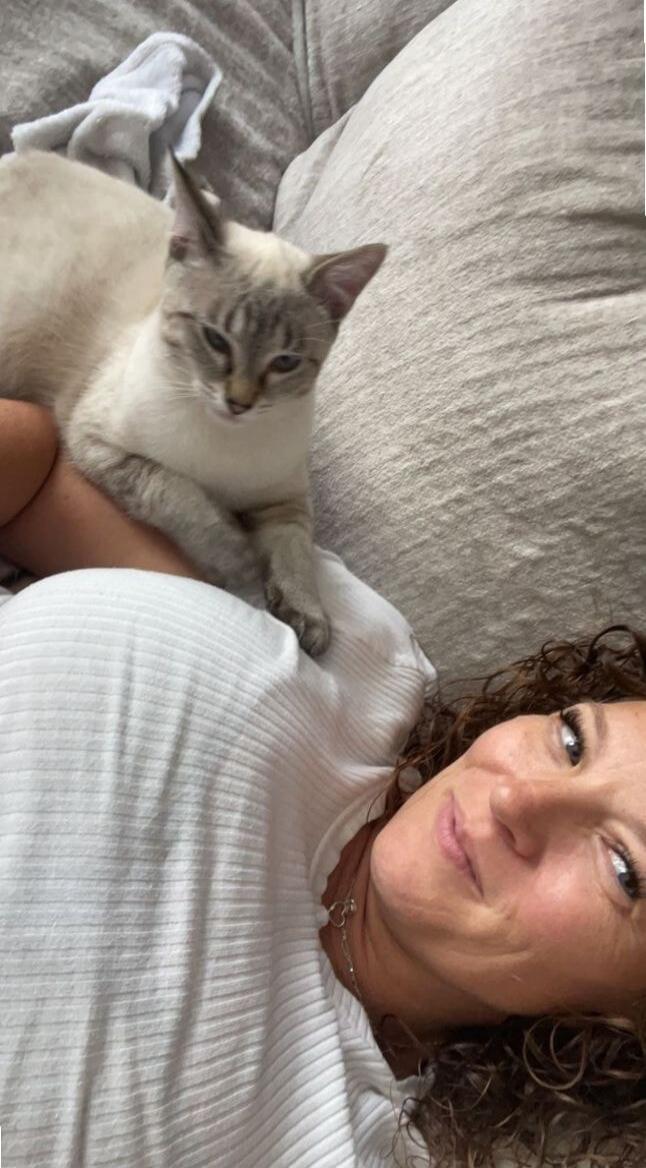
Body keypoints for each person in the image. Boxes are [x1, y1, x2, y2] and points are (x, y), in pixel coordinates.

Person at [0, 401, 645, 1168]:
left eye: (622, 869)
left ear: (627, 1022)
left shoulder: (338, 1144)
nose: (516, 798)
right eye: (571, 740)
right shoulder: (356, 658)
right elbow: (35, 480)